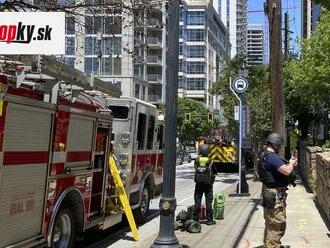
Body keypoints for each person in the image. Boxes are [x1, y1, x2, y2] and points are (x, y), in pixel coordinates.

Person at [258, 133, 298, 248]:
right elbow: (286, 171)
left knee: (271, 223)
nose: (280, 147)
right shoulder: (272, 157)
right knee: (277, 223)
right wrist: (291, 163)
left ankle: (269, 245)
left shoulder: (265, 155)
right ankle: (273, 246)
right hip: (273, 193)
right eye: (279, 145)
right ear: (275, 144)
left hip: (269, 192)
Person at [193, 144, 216, 225]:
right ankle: (209, 220)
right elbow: (215, 172)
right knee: (208, 202)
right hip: (208, 184)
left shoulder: (197, 160)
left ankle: (195, 219)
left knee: (197, 201)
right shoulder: (210, 161)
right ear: (208, 151)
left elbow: (195, 168)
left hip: (198, 183)